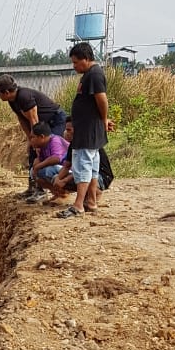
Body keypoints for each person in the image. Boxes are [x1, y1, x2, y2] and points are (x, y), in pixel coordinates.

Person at [57, 42, 113, 219]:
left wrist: (103, 119)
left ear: (86, 59)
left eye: (76, 62)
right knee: (92, 166)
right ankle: (91, 201)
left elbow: (102, 99)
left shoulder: (94, 75)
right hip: (88, 129)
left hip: (88, 131)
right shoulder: (89, 75)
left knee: (83, 166)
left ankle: (78, 205)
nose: (74, 66)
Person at [0, 75, 66, 197]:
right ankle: (34, 187)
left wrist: (36, 143)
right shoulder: (12, 101)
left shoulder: (24, 97)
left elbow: (34, 120)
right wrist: (30, 140)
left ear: (6, 92)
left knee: (51, 151)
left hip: (55, 121)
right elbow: (22, 120)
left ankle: (60, 188)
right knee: (33, 151)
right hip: (42, 125)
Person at [47, 120, 114, 209]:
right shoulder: (73, 145)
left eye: (69, 130)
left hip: (101, 177)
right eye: (66, 130)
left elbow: (84, 170)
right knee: (56, 178)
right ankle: (63, 196)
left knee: (82, 176)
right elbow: (67, 166)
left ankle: (95, 194)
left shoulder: (86, 144)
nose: (66, 133)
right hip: (85, 172)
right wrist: (58, 179)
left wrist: (64, 180)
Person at [25, 120, 68, 203]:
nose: (31, 140)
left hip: (69, 169)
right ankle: (58, 194)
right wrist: (36, 164)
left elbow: (56, 158)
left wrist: (38, 166)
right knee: (33, 172)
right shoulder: (42, 145)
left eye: (33, 137)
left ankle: (63, 193)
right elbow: (40, 159)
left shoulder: (55, 140)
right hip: (60, 170)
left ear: (42, 137)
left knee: (48, 170)